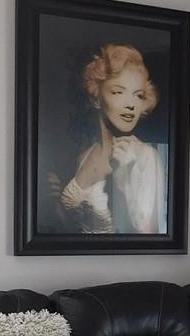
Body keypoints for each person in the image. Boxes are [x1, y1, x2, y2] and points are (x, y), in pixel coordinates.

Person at [58, 43, 167, 234]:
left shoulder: (146, 157)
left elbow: (151, 237)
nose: (131, 104)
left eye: (138, 95)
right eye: (118, 92)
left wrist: (124, 185)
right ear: (96, 98)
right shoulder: (85, 156)